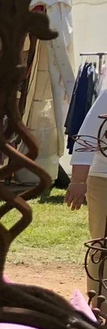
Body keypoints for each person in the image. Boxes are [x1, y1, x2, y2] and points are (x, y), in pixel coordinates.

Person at [65, 84, 107, 291]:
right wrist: (78, 181)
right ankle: (101, 305)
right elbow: (89, 134)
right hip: (104, 179)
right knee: (103, 243)